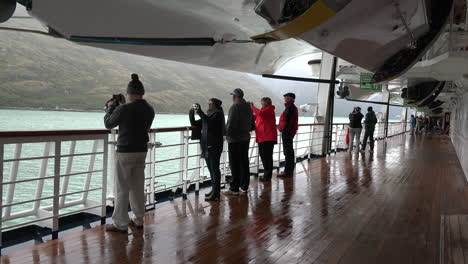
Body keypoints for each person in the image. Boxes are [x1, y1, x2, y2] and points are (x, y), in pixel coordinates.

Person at [104, 73, 155, 232]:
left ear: (130, 93)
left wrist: (111, 108)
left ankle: (120, 224)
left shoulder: (123, 108)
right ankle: (138, 220)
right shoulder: (149, 109)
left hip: (125, 151)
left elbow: (108, 123)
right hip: (141, 151)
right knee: (137, 186)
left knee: (122, 188)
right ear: (142, 93)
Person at [189, 99, 225, 201]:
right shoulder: (210, 114)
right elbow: (195, 123)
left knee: (214, 169)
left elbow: (209, 122)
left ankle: (216, 193)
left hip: (214, 146)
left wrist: (199, 112)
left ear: (214, 105)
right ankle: (214, 190)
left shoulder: (217, 114)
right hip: (207, 146)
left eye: (210, 103)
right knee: (211, 169)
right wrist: (191, 113)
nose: (208, 104)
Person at [224, 88, 255, 195]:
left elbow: (230, 123)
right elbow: (252, 123)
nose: (232, 97)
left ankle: (234, 188)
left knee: (234, 163)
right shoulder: (248, 106)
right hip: (245, 138)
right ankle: (244, 186)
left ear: (235, 96)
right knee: (244, 162)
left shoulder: (235, 106)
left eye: (232, 95)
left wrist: (226, 135)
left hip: (235, 139)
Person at [250, 97, 277, 182]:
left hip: (267, 138)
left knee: (267, 157)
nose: (261, 103)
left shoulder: (269, 110)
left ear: (266, 102)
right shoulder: (264, 111)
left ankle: (267, 176)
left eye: (262, 102)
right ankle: (266, 175)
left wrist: (252, 106)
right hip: (263, 137)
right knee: (264, 157)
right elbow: (256, 116)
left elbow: (260, 113)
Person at [277, 93, 298, 177]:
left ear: (290, 98)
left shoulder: (290, 107)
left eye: (285, 98)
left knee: (288, 152)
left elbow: (288, 121)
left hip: (287, 132)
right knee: (289, 152)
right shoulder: (291, 107)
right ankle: (289, 171)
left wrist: (283, 130)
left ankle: (287, 172)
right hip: (289, 132)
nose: (284, 99)